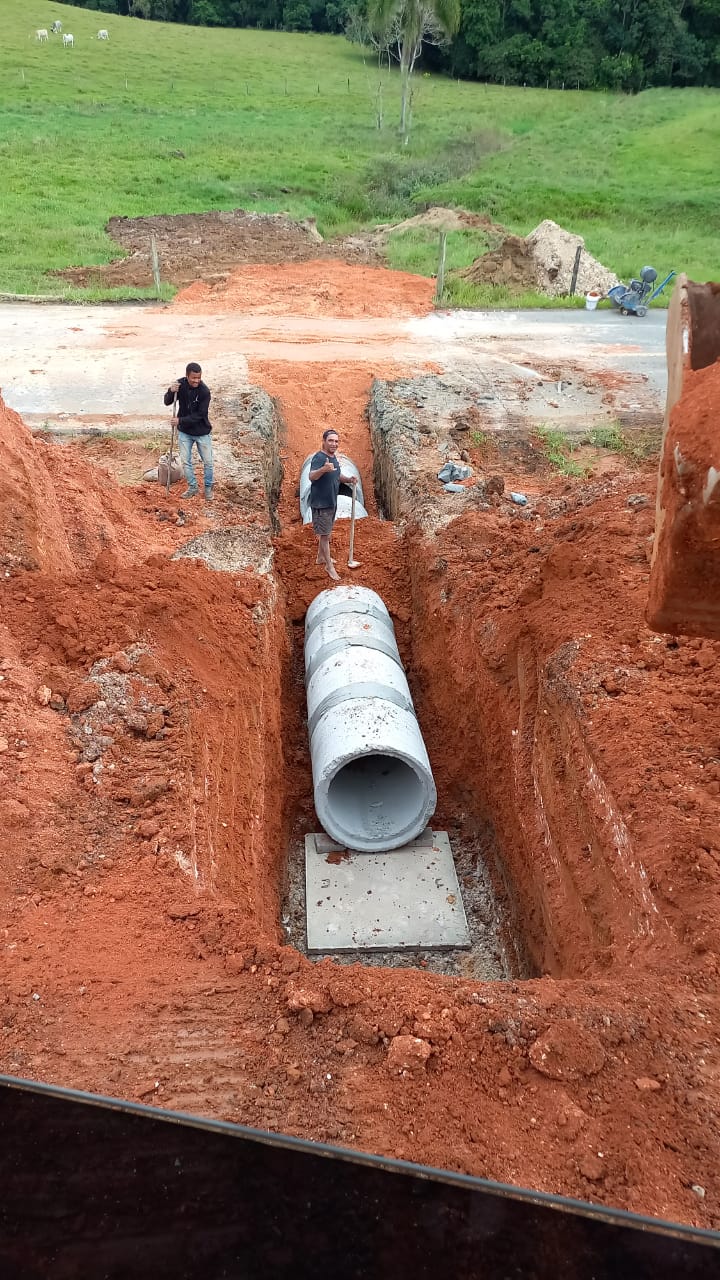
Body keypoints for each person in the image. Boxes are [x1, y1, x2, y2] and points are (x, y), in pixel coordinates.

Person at [309, 429, 357, 582]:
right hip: (321, 503)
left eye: (336, 441)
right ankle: (329, 566)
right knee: (324, 536)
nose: (334, 444)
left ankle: (320, 558)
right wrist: (323, 469)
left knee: (327, 533)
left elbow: (337, 476)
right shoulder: (319, 457)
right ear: (323, 441)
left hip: (331, 501)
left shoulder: (333, 458)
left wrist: (349, 479)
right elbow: (311, 476)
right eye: (331, 440)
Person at [164, 362, 214, 501]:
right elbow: (167, 401)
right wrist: (170, 391)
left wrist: (180, 421)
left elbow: (201, 414)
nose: (196, 381)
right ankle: (192, 487)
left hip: (202, 432)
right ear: (187, 376)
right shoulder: (180, 385)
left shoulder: (204, 391)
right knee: (186, 462)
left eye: (199, 378)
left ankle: (208, 488)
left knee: (208, 462)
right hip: (185, 433)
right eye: (193, 378)